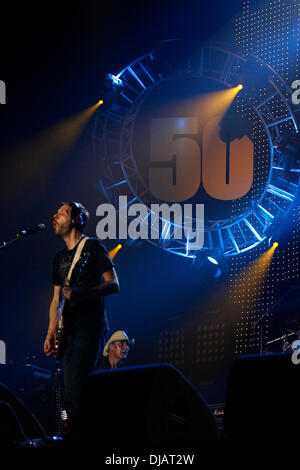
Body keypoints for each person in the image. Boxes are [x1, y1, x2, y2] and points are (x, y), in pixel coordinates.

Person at [43, 201, 119, 434]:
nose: (55, 215)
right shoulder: (58, 259)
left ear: (77, 220)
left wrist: (83, 292)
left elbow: (114, 284)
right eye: (55, 212)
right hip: (69, 331)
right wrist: (50, 331)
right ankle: (74, 432)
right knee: (68, 391)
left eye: (62, 212)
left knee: (79, 388)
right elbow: (56, 299)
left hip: (89, 327)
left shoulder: (93, 247)